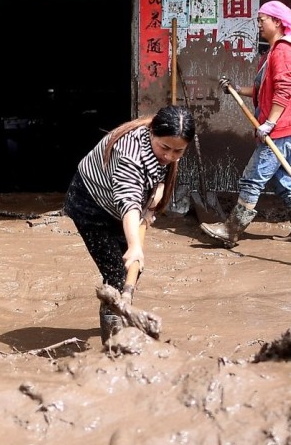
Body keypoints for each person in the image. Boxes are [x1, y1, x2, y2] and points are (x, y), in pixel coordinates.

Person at [65, 105, 194, 348]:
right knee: (117, 273)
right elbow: (128, 203)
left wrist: (153, 200)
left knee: (133, 267)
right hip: (90, 205)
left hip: (123, 206)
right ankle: (114, 345)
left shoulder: (165, 144)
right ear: (152, 133)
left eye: (179, 151)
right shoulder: (129, 154)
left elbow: (159, 173)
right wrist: (134, 245)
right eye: (164, 148)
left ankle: (120, 311)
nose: (170, 156)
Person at [201, 0, 291, 246]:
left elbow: (284, 91)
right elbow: (265, 91)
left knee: (253, 177)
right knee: (283, 179)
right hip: (286, 128)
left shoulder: (284, 51)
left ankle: (232, 230)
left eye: (262, 19)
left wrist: (270, 123)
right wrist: (236, 89)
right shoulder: (273, 53)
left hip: (282, 128)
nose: (258, 24)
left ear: (277, 22)